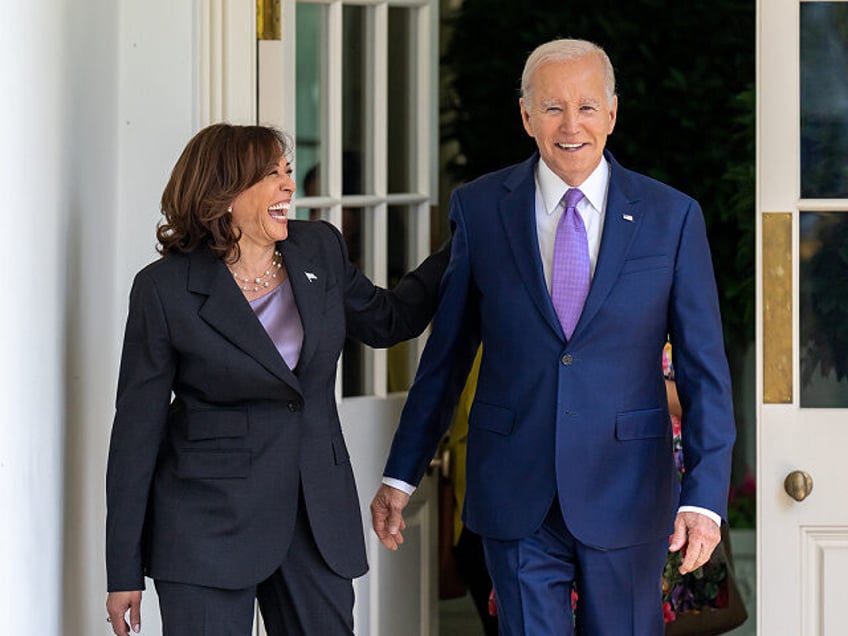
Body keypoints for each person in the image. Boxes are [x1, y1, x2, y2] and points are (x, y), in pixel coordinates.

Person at [370, 38, 736, 635]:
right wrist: (400, 474)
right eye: (553, 108)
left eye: (588, 107)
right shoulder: (481, 209)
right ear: (526, 116)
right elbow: (447, 356)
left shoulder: (672, 217)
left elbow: (705, 374)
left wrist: (704, 498)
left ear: (612, 115)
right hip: (515, 491)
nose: (572, 126)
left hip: (628, 491)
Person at [105, 123, 447, 636]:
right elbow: (136, 432)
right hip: (206, 527)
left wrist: (470, 242)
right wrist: (123, 569)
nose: (289, 186)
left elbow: (389, 319)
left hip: (315, 520)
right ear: (224, 191)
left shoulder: (319, 250)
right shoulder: (164, 290)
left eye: (288, 172)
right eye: (272, 175)